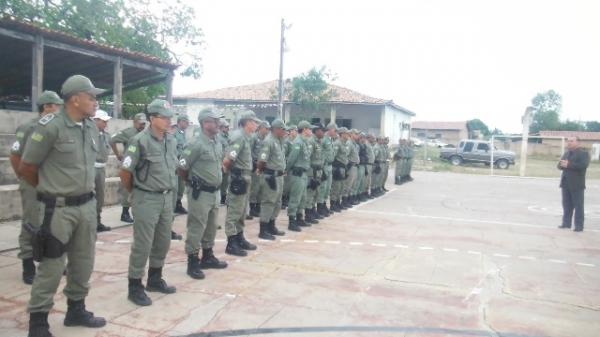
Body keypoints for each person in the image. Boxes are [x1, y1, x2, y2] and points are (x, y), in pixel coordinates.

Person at [19, 75, 107, 336]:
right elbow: (26, 167)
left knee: (83, 262)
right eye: (91, 97)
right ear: (75, 98)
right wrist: (50, 191)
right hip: (56, 209)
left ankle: (75, 310)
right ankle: (38, 322)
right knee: (52, 266)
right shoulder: (50, 127)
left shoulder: (90, 127)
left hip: (86, 206)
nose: (95, 101)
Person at [120, 99, 178, 306]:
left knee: (163, 241)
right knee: (143, 244)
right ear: (152, 119)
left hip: (166, 197)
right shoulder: (139, 141)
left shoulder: (170, 140)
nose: (169, 120)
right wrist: (136, 192)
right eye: (164, 117)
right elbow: (125, 171)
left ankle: (155, 278)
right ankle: (135, 286)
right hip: (146, 197)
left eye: (169, 117)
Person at [10, 90, 62, 285]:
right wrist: (24, 178)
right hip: (32, 182)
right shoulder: (28, 127)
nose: (59, 110)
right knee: (31, 223)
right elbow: (15, 156)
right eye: (56, 106)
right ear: (47, 107)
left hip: (51, 183)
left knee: (54, 223)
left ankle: (50, 262)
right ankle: (28, 265)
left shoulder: (58, 127)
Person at [178, 108, 228, 280]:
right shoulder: (195, 143)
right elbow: (182, 167)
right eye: (215, 121)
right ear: (206, 123)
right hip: (200, 193)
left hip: (215, 192)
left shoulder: (216, 141)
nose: (218, 124)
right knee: (196, 226)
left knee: (211, 225)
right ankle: (192, 260)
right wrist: (191, 183)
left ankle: (207, 256)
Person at [222, 110, 261, 256]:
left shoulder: (247, 137)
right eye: (254, 122)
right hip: (239, 178)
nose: (256, 124)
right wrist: (235, 175)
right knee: (234, 211)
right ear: (247, 122)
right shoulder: (239, 137)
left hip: (246, 177)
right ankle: (231, 243)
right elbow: (227, 160)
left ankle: (239, 237)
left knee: (242, 210)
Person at [110, 112, 147, 223]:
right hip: (130, 165)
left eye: (144, 124)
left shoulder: (145, 134)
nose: (142, 126)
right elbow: (112, 140)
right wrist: (118, 154)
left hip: (141, 166)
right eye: (140, 123)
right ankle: (125, 213)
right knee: (127, 189)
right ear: (134, 122)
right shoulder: (128, 132)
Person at [256, 119, 288, 240]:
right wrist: (266, 172)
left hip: (279, 176)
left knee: (277, 202)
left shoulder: (278, 141)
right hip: (270, 177)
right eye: (283, 129)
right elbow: (262, 161)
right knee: (268, 202)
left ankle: (271, 225)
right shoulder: (268, 141)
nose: (285, 132)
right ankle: (263, 229)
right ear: (277, 129)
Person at [286, 120, 314, 231]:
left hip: (304, 174)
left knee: (302, 198)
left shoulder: (305, 142)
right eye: (310, 129)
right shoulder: (298, 142)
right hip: (297, 174)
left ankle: (299, 218)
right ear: (305, 129)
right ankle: (291, 221)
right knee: (295, 198)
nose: (311, 131)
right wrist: (287, 169)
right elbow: (292, 158)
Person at [557, 137, 590, 232]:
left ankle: (579, 226)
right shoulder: (566, 153)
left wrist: (569, 164)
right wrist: (561, 164)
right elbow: (559, 166)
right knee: (566, 204)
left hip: (577, 184)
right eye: (568, 141)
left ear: (578, 143)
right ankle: (566, 223)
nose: (569, 143)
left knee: (578, 205)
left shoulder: (583, 154)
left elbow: (583, 165)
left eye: (571, 141)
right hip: (565, 183)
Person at [93, 109, 112, 232]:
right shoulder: (89, 134)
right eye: (103, 121)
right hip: (91, 167)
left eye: (106, 121)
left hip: (101, 168)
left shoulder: (107, 135)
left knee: (100, 196)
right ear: (95, 120)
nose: (106, 124)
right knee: (89, 196)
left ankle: (97, 221)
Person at [249, 121, 270, 217]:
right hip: (255, 165)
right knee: (255, 187)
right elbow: (249, 152)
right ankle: (252, 207)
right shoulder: (254, 137)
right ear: (261, 128)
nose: (268, 130)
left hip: (263, 166)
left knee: (262, 187)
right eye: (266, 128)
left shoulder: (267, 139)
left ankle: (258, 206)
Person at [304, 124, 325, 223]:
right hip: (312, 172)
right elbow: (307, 158)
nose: (323, 132)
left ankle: (312, 211)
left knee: (316, 193)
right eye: (322, 130)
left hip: (318, 171)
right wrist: (310, 175)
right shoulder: (311, 142)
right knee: (310, 193)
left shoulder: (319, 142)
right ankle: (308, 214)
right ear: (316, 131)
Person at [317, 122, 337, 217]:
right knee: (323, 187)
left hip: (330, 166)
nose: (336, 132)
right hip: (324, 166)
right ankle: (320, 207)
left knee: (328, 188)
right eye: (335, 130)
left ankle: (324, 205)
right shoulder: (323, 139)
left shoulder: (330, 139)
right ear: (330, 129)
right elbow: (320, 153)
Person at [330, 127, 350, 212]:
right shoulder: (337, 143)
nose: (348, 135)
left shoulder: (345, 144)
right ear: (342, 134)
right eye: (346, 133)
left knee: (341, 186)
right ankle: (333, 204)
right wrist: (335, 168)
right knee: (336, 187)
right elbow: (333, 156)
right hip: (338, 168)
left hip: (343, 168)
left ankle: (338, 202)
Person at [174, 115, 190, 215]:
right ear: (180, 122)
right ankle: (175, 204)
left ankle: (178, 203)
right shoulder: (174, 133)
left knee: (181, 185)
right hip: (176, 163)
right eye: (186, 122)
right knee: (176, 185)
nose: (187, 124)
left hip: (182, 163)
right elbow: (173, 149)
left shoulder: (183, 133)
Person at [281, 125, 297, 209]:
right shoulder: (287, 142)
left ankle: (286, 199)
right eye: (294, 130)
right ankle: (283, 200)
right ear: (290, 131)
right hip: (288, 165)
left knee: (290, 185)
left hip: (293, 167)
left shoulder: (295, 141)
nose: (296, 132)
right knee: (286, 185)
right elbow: (284, 154)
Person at [343, 129, 359, 207]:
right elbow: (346, 155)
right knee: (348, 184)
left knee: (352, 184)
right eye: (355, 134)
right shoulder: (349, 143)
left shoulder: (354, 144)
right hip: (351, 166)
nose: (357, 135)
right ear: (351, 134)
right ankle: (345, 201)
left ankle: (349, 199)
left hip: (355, 166)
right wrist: (347, 165)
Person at [218, 120, 230, 205]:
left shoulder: (228, 137)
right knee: (219, 181)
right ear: (221, 128)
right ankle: (218, 197)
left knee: (225, 181)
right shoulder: (218, 137)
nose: (228, 128)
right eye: (226, 127)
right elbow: (219, 151)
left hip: (227, 162)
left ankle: (223, 197)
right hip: (221, 162)